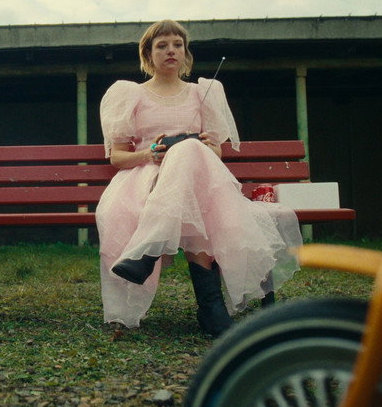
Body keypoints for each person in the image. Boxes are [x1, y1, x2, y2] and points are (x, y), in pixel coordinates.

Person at [97, 20, 302, 337]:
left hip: (197, 181)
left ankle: (147, 251)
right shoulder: (129, 94)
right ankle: (210, 308)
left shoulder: (204, 92)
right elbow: (117, 157)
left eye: (177, 44)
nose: (171, 50)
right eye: (162, 45)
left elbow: (215, 153)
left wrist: (206, 146)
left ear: (186, 51)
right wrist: (150, 154)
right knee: (195, 199)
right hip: (146, 180)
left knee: (192, 156)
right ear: (148, 54)